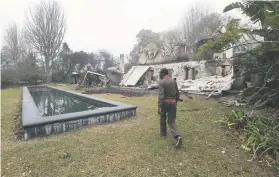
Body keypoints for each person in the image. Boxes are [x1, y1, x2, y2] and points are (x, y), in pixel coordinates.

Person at [158, 68, 182, 148]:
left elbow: (161, 96)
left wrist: (159, 107)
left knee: (162, 117)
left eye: (160, 74)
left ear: (162, 74)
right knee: (171, 121)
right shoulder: (173, 81)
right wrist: (175, 102)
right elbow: (177, 93)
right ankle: (178, 136)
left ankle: (163, 133)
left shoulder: (162, 82)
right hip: (173, 103)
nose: (159, 75)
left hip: (165, 102)